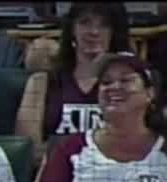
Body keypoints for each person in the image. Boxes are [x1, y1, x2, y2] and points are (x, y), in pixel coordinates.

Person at [33, 52, 167, 182]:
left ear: (149, 93)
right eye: (106, 82)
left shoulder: (164, 148)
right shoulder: (70, 147)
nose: (114, 87)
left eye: (125, 80)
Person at [15, 3, 132, 165]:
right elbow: (28, 148)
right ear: (72, 29)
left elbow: (136, 142)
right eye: (85, 23)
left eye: (104, 25)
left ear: (114, 32)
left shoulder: (130, 85)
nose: (94, 32)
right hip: (54, 169)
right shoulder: (41, 82)